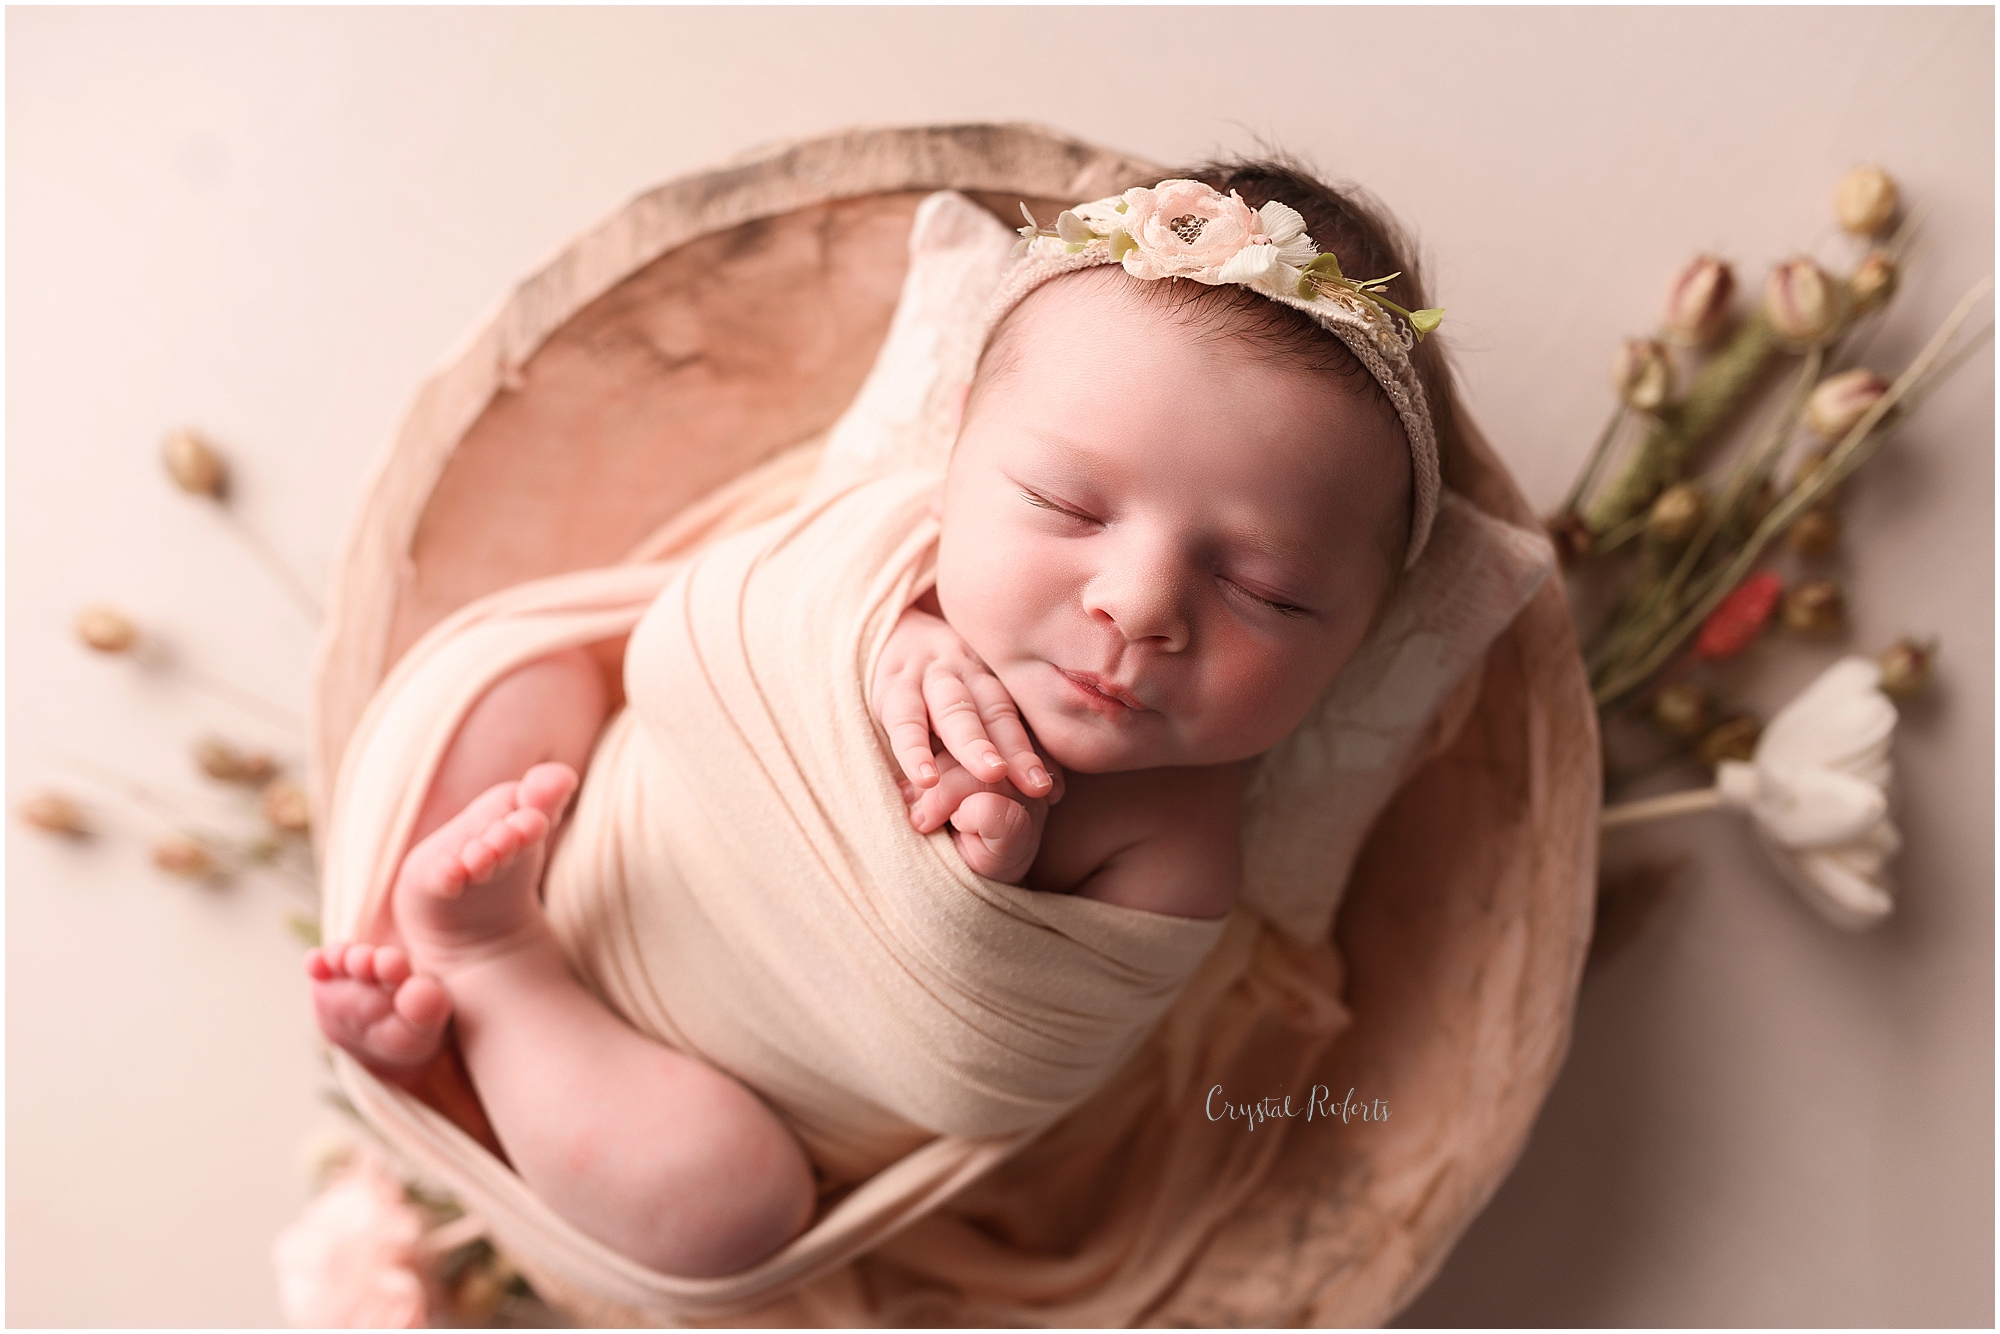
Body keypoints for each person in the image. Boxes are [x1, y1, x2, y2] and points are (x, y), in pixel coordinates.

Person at [303, 159, 1451, 1279]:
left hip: (709, 1092)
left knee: (727, 1206)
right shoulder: (882, 557)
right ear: (955, 454)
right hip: (605, 849)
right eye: (1064, 504)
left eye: (1262, 589)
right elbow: (705, 633)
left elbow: (992, 1074)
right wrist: (875, 639)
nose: (1138, 604)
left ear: (1353, 637)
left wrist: (991, 886)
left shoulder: (1182, 833)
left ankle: (485, 973)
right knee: (521, 679)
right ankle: (435, 996)